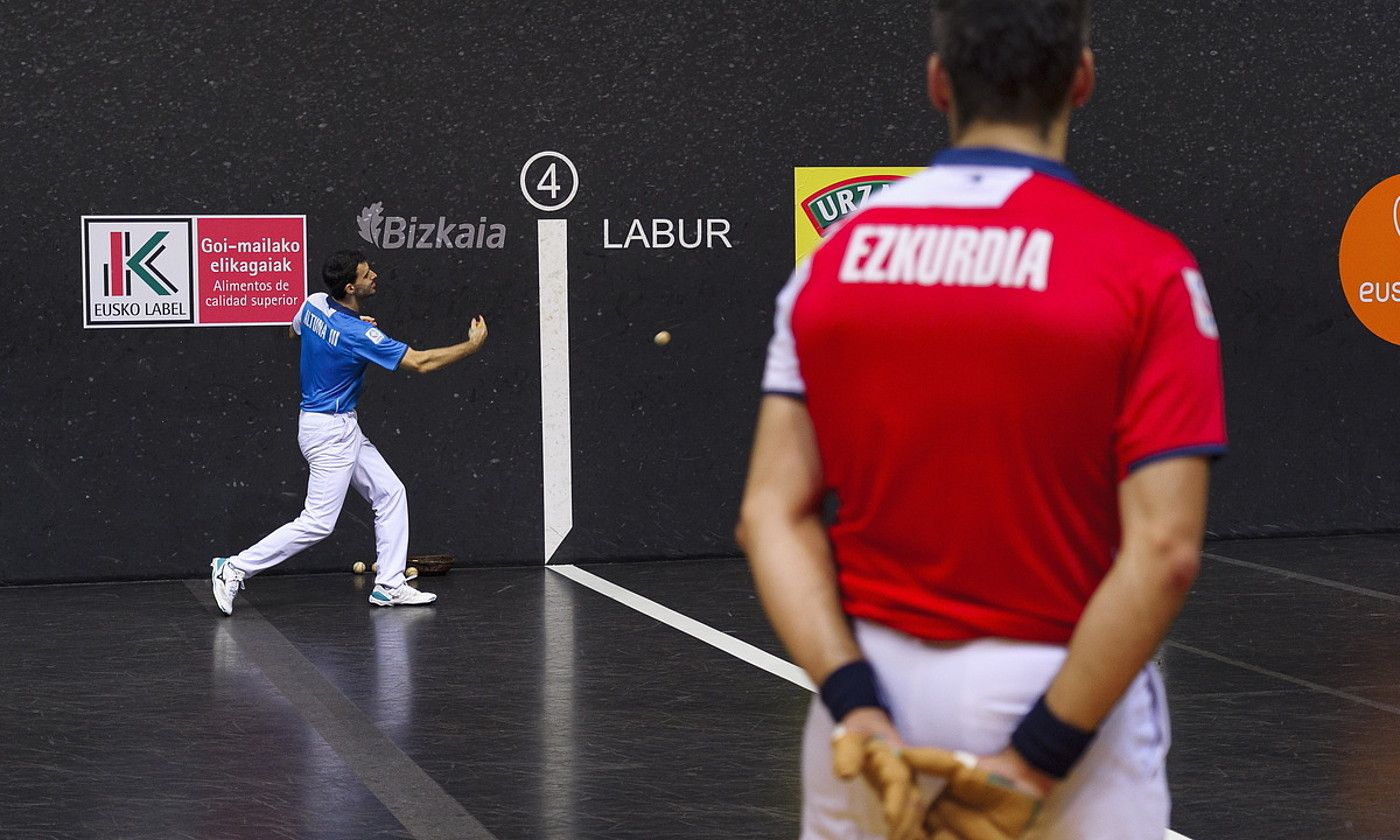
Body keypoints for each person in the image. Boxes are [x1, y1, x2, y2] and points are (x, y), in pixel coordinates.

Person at [736, 1, 1226, 837]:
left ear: (937, 84)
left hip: (871, 702)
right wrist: (1035, 754)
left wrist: (859, 707)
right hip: (1066, 701)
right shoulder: (1149, 271)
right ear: (1082, 80)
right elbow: (1166, 552)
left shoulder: (835, 264)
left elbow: (768, 515)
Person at [211, 250, 488, 614]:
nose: (374, 275)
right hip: (330, 433)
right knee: (317, 523)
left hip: (332, 425)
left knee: (390, 492)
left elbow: (292, 331)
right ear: (350, 287)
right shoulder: (360, 333)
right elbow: (420, 363)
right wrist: (472, 346)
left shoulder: (313, 305)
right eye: (366, 274)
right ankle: (232, 568)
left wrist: (342, 331)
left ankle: (389, 583)